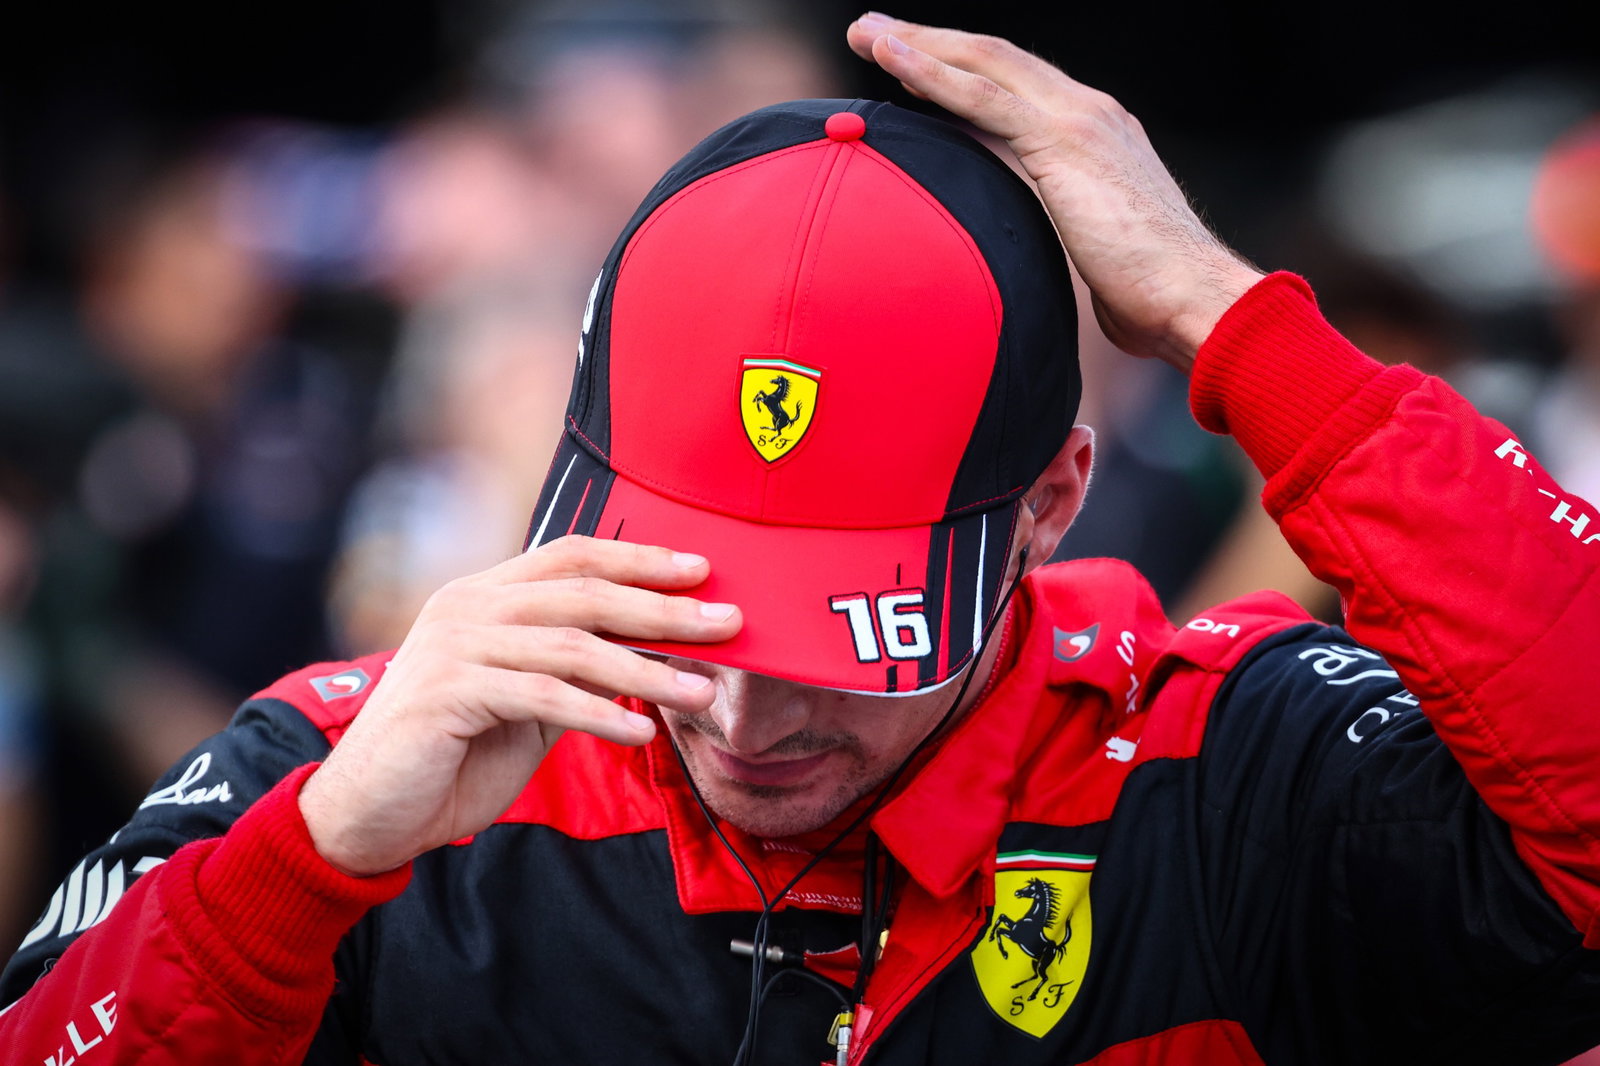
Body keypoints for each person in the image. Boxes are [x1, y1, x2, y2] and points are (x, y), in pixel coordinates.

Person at [4, 13, 1600, 1065]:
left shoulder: (1233, 766)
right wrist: (312, 864)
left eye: (850, 629)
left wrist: (1233, 323)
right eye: (692, 612)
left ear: (1053, 495)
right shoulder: (347, 781)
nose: (750, 715)